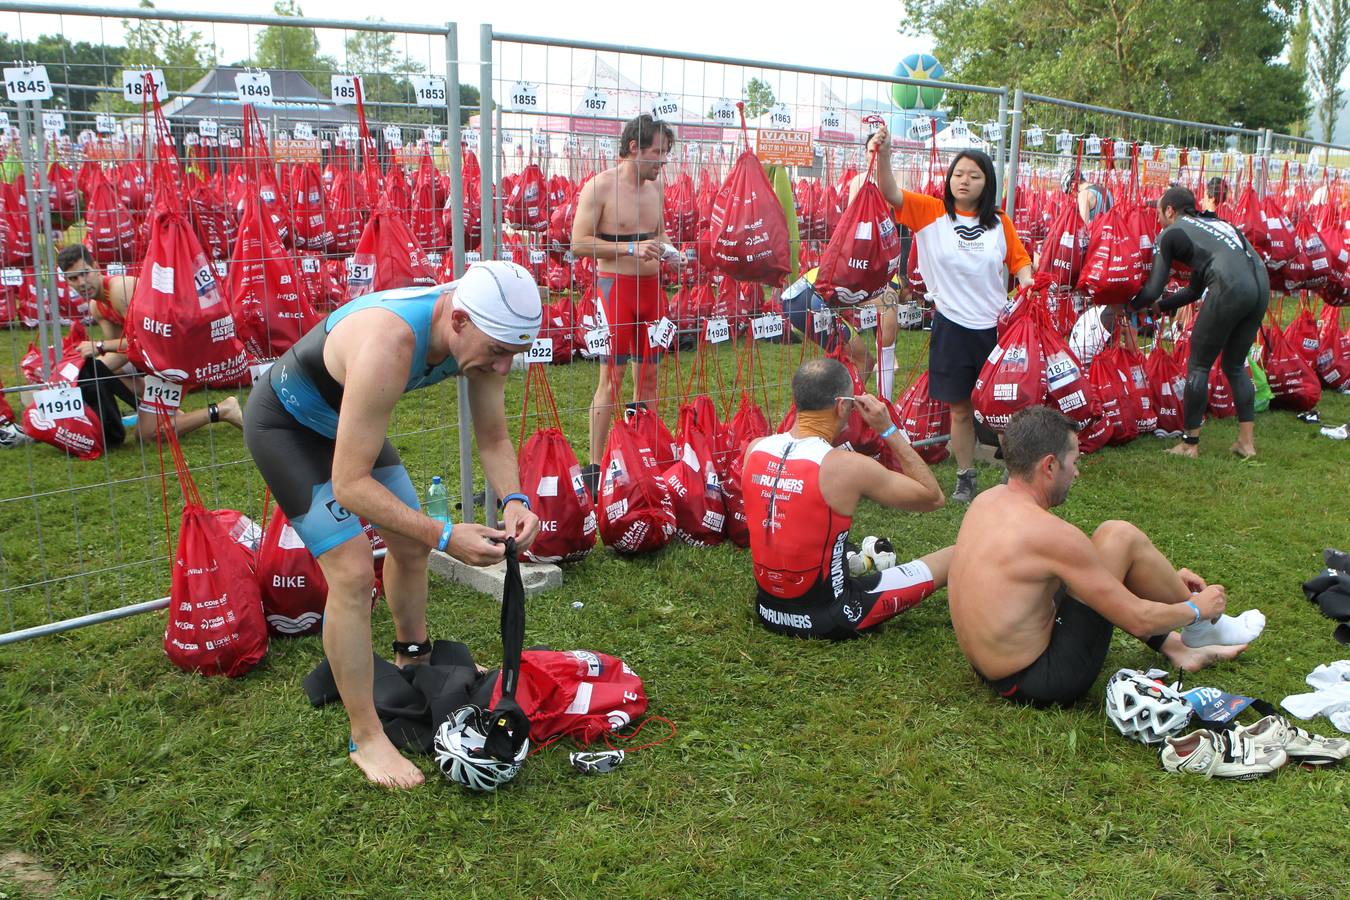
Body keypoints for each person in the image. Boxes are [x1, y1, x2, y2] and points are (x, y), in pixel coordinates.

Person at [243, 261, 543, 788]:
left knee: (410, 543)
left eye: (513, 356)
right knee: (353, 570)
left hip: (343, 421)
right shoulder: (392, 342)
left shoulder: (482, 334)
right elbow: (350, 485)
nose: (502, 369)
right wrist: (447, 535)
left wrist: (514, 499)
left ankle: (413, 657)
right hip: (284, 426)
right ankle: (367, 736)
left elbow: (494, 437)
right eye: (498, 353)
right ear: (459, 320)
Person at [949, 405, 1263, 708]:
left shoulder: (986, 502)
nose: (1077, 473)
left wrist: (1148, 580)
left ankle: (1180, 647)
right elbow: (1138, 620)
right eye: (1074, 461)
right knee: (1119, 536)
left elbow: (1079, 568)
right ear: (1049, 466)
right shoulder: (1052, 536)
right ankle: (1205, 626)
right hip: (1037, 680)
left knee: (1109, 548)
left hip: (988, 666)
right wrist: (1195, 608)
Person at [869, 123, 1034, 502]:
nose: (964, 181)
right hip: (952, 327)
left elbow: (1020, 261)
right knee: (960, 409)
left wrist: (1027, 281)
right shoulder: (929, 212)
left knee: (1005, 408)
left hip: (995, 330)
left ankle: (1017, 477)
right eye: (958, 174)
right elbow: (889, 191)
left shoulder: (999, 223)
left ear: (986, 182)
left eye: (974, 175)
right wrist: (886, 153)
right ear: (949, 179)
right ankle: (965, 475)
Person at [741, 357, 951, 640]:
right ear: (842, 405)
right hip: (832, 616)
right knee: (956, 555)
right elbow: (932, 497)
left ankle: (856, 559)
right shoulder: (846, 466)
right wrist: (887, 429)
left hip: (767, 608)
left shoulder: (755, 449)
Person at [570, 114, 680, 497]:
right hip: (614, 290)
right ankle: (596, 467)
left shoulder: (656, 188)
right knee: (611, 380)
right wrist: (628, 247)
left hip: (651, 291)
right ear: (634, 148)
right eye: (657, 152)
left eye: (665, 153)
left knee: (648, 377)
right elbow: (579, 243)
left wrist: (669, 250)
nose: (661, 161)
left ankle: (641, 452)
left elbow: (659, 231)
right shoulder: (599, 187)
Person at [1128, 186, 1270, 458]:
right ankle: (1246, 443)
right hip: (1260, 283)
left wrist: (1130, 305)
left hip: (1231, 286)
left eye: (1159, 212)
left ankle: (1189, 444)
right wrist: (1161, 307)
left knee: (1198, 363)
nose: (1158, 218)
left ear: (1170, 210)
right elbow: (1194, 290)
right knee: (1234, 364)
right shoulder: (1212, 223)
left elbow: (1153, 287)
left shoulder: (1170, 233)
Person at [56, 244, 243, 443]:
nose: (82, 282)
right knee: (102, 370)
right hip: (163, 355)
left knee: (146, 435)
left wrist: (100, 347)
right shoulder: (97, 307)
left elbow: (144, 343)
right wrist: (76, 373)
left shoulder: (120, 290)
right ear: (67, 282)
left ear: (96, 266)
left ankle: (223, 409)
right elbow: (121, 354)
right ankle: (166, 412)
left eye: (85, 273)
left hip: (180, 354)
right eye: (73, 278)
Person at [781, 267, 902, 399]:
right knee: (864, 361)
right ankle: (847, 413)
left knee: (845, 360)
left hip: (800, 295)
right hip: (810, 299)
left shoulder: (883, 269)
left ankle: (837, 405)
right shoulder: (890, 285)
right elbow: (887, 344)